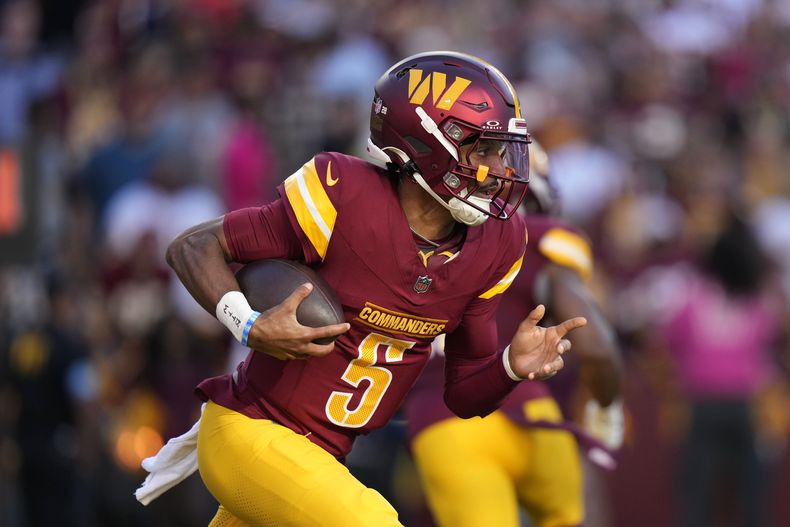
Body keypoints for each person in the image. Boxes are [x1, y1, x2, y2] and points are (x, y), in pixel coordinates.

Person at [135, 51, 587, 526]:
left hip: (317, 461)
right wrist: (247, 324)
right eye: (484, 149)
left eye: (502, 151)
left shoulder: (499, 242)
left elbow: (463, 395)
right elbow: (193, 246)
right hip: (251, 431)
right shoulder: (344, 193)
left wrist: (510, 367)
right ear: (429, 141)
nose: (500, 168)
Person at [405, 141, 624, 527]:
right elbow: (596, 348)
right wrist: (606, 407)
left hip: (443, 422)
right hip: (529, 410)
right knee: (570, 517)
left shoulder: (401, 235)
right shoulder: (534, 237)